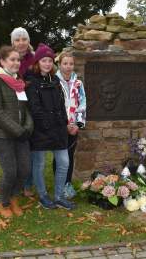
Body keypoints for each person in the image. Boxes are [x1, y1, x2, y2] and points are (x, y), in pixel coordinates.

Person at [0, 46, 34, 218]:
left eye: (18, 60)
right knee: (10, 171)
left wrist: (27, 127)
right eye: (12, 59)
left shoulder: (17, 81)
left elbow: (25, 109)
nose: (16, 63)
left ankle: (13, 198)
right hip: (0, 134)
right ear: (2, 61)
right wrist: (18, 130)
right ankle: (3, 202)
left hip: (20, 134)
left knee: (25, 169)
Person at [25, 43, 76, 210]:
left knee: (63, 162)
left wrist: (65, 123)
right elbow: (35, 108)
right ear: (37, 62)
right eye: (43, 60)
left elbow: (61, 105)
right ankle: (43, 196)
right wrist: (47, 126)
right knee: (38, 165)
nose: (47, 64)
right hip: (40, 130)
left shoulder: (55, 80)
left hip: (59, 129)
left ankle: (59, 196)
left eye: (49, 60)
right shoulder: (31, 81)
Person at [53, 51, 86, 199]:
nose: (68, 67)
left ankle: (67, 183)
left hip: (73, 127)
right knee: (59, 157)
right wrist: (63, 124)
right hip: (59, 126)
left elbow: (82, 103)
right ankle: (58, 183)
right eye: (65, 63)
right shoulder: (54, 82)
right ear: (59, 65)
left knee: (70, 156)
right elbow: (53, 106)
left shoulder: (78, 83)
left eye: (71, 64)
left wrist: (77, 124)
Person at [10, 27, 36, 197]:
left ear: (28, 41)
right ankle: (15, 183)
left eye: (24, 39)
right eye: (17, 40)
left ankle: (27, 184)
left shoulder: (35, 59)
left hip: (33, 107)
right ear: (13, 43)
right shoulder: (8, 58)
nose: (21, 42)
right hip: (13, 108)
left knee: (30, 149)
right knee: (13, 149)